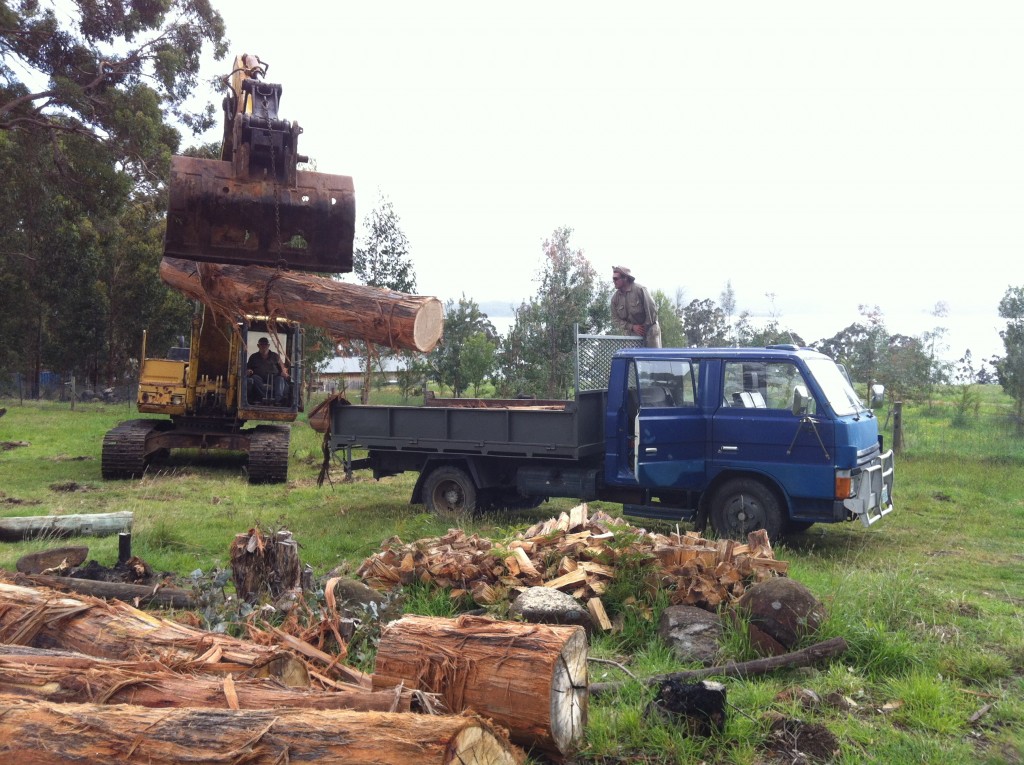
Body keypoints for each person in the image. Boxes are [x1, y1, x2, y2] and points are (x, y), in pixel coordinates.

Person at [611, 266, 662, 348]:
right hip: (632, 332)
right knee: (633, 358)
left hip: (650, 330)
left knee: (653, 358)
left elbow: (651, 311)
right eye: (613, 279)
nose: (614, 281)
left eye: (616, 279)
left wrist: (644, 329)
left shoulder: (640, 290)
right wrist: (631, 327)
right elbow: (615, 319)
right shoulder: (615, 299)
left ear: (625, 278)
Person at [247, 336, 290, 403]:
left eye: (265, 344)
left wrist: (283, 373)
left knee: (280, 379)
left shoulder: (275, 356)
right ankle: (262, 398)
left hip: (274, 379)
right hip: (259, 379)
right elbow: (248, 368)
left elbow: (282, 368)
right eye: (261, 344)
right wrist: (249, 371)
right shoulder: (253, 357)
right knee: (254, 378)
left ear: (268, 345)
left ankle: (278, 400)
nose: (264, 346)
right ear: (258, 345)